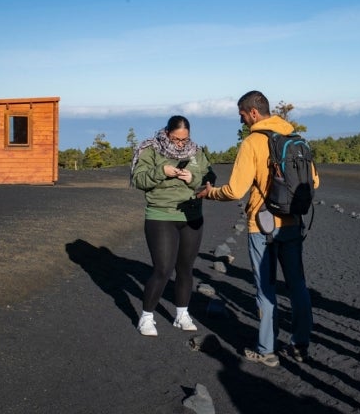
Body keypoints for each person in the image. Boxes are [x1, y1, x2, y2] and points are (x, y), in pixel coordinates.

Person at [197, 90, 320, 368]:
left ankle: (267, 350)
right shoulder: (296, 139)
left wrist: (211, 193)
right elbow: (314, 182)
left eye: (242, 115)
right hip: (292, 223)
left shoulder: (252, 142)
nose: (241, 121)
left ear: (253, 112)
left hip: (261, 225)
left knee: (265, 289)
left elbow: (236, 190)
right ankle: (300, 345)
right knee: (298, 286)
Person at [131, 115, 215, 337]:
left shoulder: (196, 151)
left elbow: (209, 178)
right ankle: (146, 317)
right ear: (167, 132)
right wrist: (162, 171)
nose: (180, 144)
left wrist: (193, 178)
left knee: (186, 268)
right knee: (163, 269)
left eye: (184, 139)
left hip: (192, 215)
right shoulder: (149, 149)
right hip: (161, 214)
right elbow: (137, 180)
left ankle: (182, 315)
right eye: (176, 139)